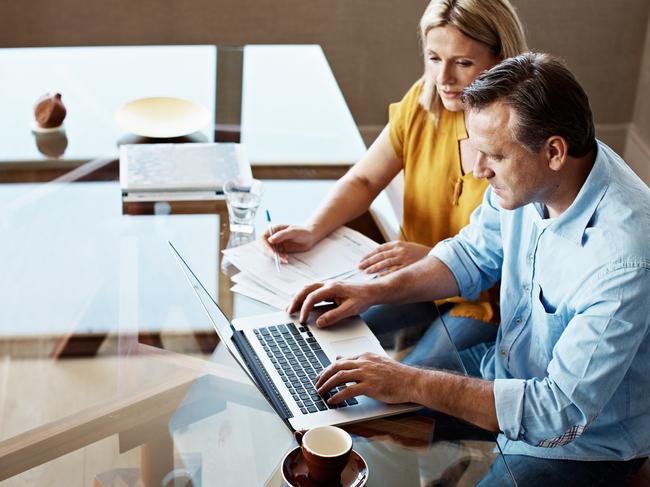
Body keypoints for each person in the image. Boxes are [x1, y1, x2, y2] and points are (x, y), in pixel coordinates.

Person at [288, 53, 650, 485]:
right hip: (507, 372)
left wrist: (411, 382)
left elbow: (559, 411)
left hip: (584, 441)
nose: (478, 171)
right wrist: (373, 290)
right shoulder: (536, 176)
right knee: (341, 413)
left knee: (397, 394)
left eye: (493, 156)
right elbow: (471, 255)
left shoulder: (625, 259)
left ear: (554, 151)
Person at [263, 0, 528, 356]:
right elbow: (365, 180)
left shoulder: (523, 134)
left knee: (413, 376)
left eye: (463, 63)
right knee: (319, 332)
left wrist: (432, 256)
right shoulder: (423, 105)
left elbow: (523, 260)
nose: (444, 78)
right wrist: (312, 229)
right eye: (435, 58)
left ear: (501, 60)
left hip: (485, 301)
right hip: (413, 281)